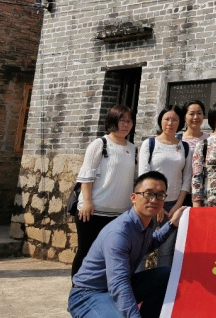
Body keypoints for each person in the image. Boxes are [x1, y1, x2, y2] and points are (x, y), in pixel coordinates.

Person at [68, 171, 186, 318]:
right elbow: (118, 283)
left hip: (116, 286)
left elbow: (149, 244)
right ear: (133, 197)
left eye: (160, 195)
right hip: (89, 294)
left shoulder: (146, 223)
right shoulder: (119, 233)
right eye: (148, 193)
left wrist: (172, 224)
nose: (154, 200)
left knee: (167, 276)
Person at [71, 104, 137, 277]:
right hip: (94, 211)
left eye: (129, 121)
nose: (126, 124)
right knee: (86, 251)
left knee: (111, 255)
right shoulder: (100, 144)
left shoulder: (132, 149)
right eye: (122, 120)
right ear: (112, 121)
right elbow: (86, 176)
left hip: (120, 214)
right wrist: (87, 202)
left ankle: (102, 289)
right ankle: (78, 288)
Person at [137, 105, 191, 268]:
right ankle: (137, 282)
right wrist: (157, 203)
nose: (170, 123)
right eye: (167, 119)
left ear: (180, 122)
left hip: (173, 204)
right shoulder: (150, 144)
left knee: (167, 251)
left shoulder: (184, 147)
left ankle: (163, 283)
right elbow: (143, 176)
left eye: (174, 120)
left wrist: (178, 205)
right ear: (160, 121)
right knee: (142, 249)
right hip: (149, 203)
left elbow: (186, 178)